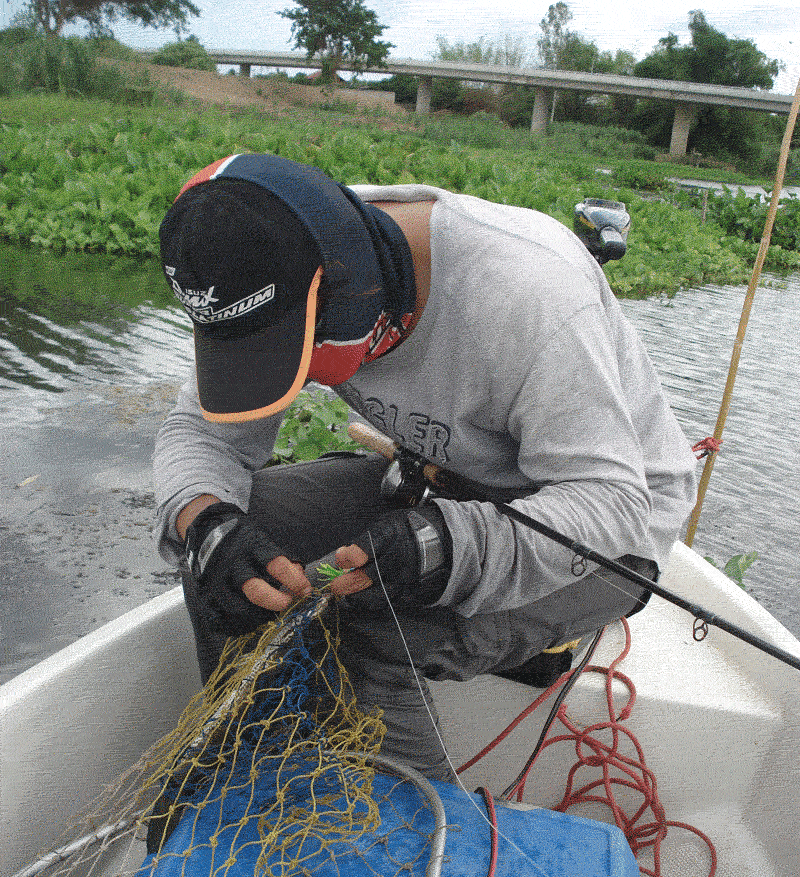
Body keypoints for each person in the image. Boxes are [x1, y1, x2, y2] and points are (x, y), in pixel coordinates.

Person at [153, 152, 697, 781]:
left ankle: (426, 852)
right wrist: (208, 523)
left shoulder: (527, 292)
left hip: (609, 535)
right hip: (439, 485)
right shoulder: (264, 254)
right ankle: (263, 774)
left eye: (303, 350)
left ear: (355, 287)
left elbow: (611, 507)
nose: (300, 367)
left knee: (372, 624)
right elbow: (201, 435)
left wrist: (447, 544)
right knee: (220, 553)